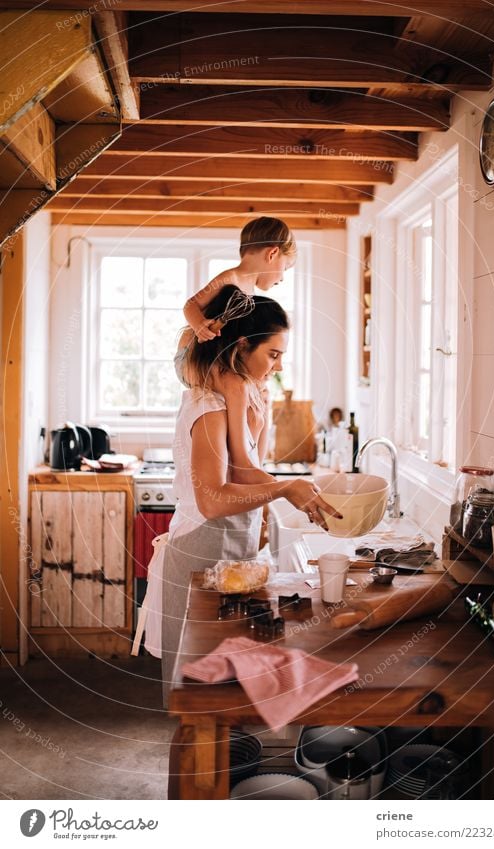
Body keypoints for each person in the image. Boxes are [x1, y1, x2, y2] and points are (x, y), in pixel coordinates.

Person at [156, 285, 341, 704]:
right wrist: (283, 488)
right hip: (200, 555)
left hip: (228, 556)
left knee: (230, 696)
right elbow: (213, 500)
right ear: (242, 345)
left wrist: (290, 492)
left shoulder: (237, 393)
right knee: (197, 701)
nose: (277, 367)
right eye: (272, 355)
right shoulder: (208, 408)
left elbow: (244, 468)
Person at [174, 216, 296, 478]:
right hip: (190, 360)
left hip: (217, 362)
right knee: (239, 387)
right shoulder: (230, 279)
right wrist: (199, 326)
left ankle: (255, 468)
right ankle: (243, 464)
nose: (282, 278)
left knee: (263, 396)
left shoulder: (252, 293)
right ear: (273, 253)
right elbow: (190, 305)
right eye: (285, 267)